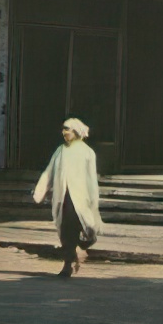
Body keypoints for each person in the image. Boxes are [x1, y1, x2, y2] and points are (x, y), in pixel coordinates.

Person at [33, 118, 103, 278]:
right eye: (63, 129)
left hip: (81, 198)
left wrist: (93, 199)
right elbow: (49, 171)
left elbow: (91, 179)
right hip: (63, 197)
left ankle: (82, 246)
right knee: (66, 230)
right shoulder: (60, 150)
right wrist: (40, 191)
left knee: (86, 228)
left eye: (67, 129)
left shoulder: (87, 152)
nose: (64, 132)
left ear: (76, 131)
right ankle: (68, 264)